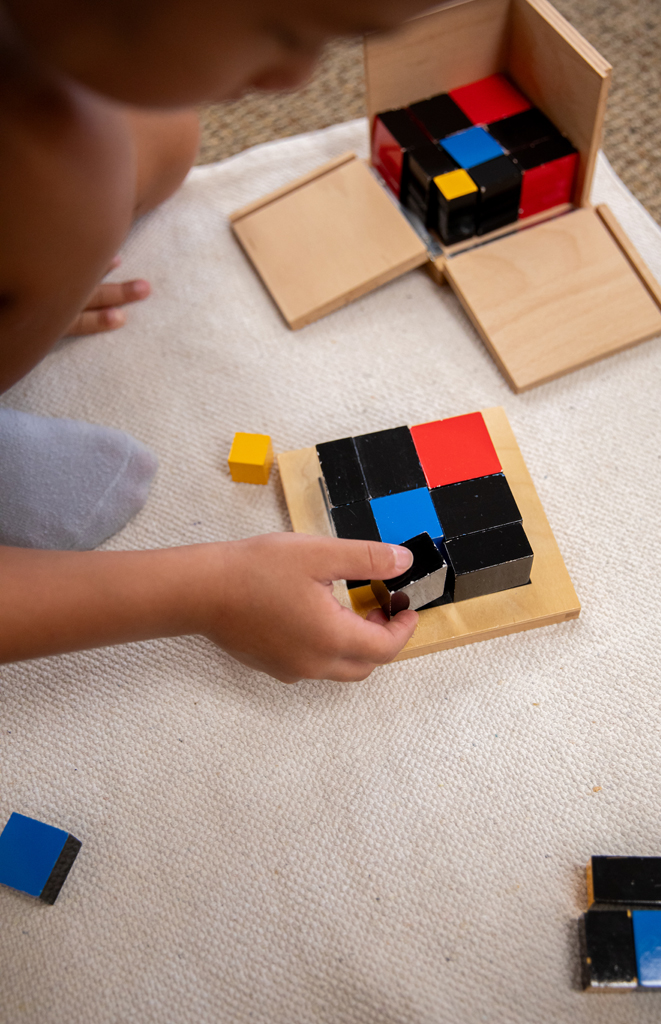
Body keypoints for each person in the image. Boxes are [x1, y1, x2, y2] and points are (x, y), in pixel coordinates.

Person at [0, 0, 437, 681]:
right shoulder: (52, 189)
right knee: (81, 186)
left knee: (163, 137)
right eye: (286, 31)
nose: (298, 79)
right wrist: (210, 589)